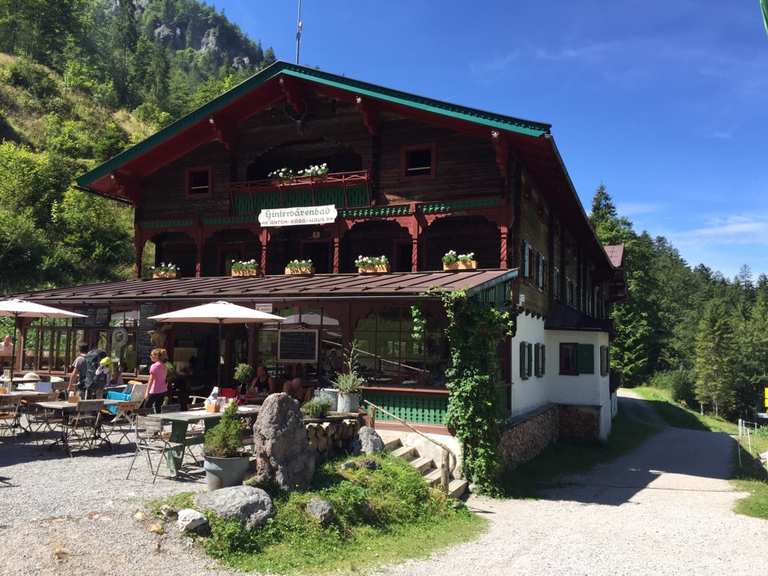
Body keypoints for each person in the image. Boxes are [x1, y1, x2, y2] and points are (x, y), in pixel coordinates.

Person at [143, 348, 168, 413]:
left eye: (151, 355)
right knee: (158, 408)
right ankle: (158, 421)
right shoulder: (164, 366)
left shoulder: (154, 366)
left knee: (146, 408)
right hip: (163, 390)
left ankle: (144, 422)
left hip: (154, 390)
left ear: (156, 356)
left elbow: (151, 380)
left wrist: (147, 392)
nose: (150, 356)